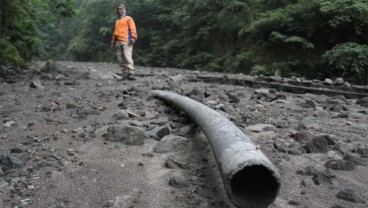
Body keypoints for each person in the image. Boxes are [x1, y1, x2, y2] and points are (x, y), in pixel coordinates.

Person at [111, 4, 138, 80]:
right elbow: (115, 32)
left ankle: (131, 73)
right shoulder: (117, 21)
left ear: (124, 10)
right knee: (120, 59)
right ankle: (125, 73)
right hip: (118, 42)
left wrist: (133, 37)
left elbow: (133, 28)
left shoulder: (128, 18)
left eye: (121, 9)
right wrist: (113, 42)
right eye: (118, 9)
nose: (119, 10)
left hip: (126, 41)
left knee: (127, 57)